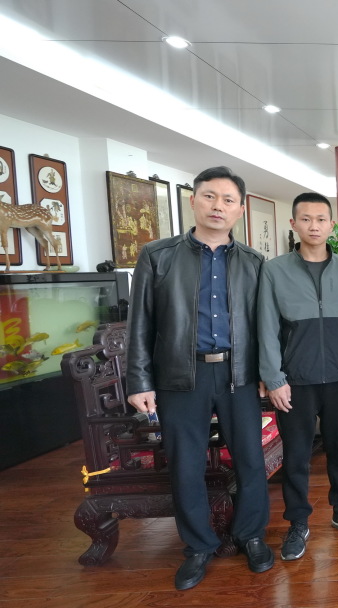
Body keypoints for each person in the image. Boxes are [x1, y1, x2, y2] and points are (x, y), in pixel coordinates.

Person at [126, 166, 273, 590]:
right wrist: (139, 381)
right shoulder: (158, 255)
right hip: (180, 375)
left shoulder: (253, 262)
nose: (218, 206)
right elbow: (141, 323)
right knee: (185, 464)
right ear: (193, 201)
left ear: (240, 209)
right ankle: (198, 546)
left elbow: (264, 325)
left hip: (238, 374)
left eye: (228, 200)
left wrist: (267, 372)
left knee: (250, 459)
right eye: (209, 196)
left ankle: (250, 535)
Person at [257, 192, 338, 562]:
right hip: (295, 381)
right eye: (306, 219)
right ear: (293, 224)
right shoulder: (274, 271)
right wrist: (274, 378)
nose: (314, 226)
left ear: (332, 224)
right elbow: (266, 327)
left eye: (321, 219)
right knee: (297, 456)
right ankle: (297, 521)